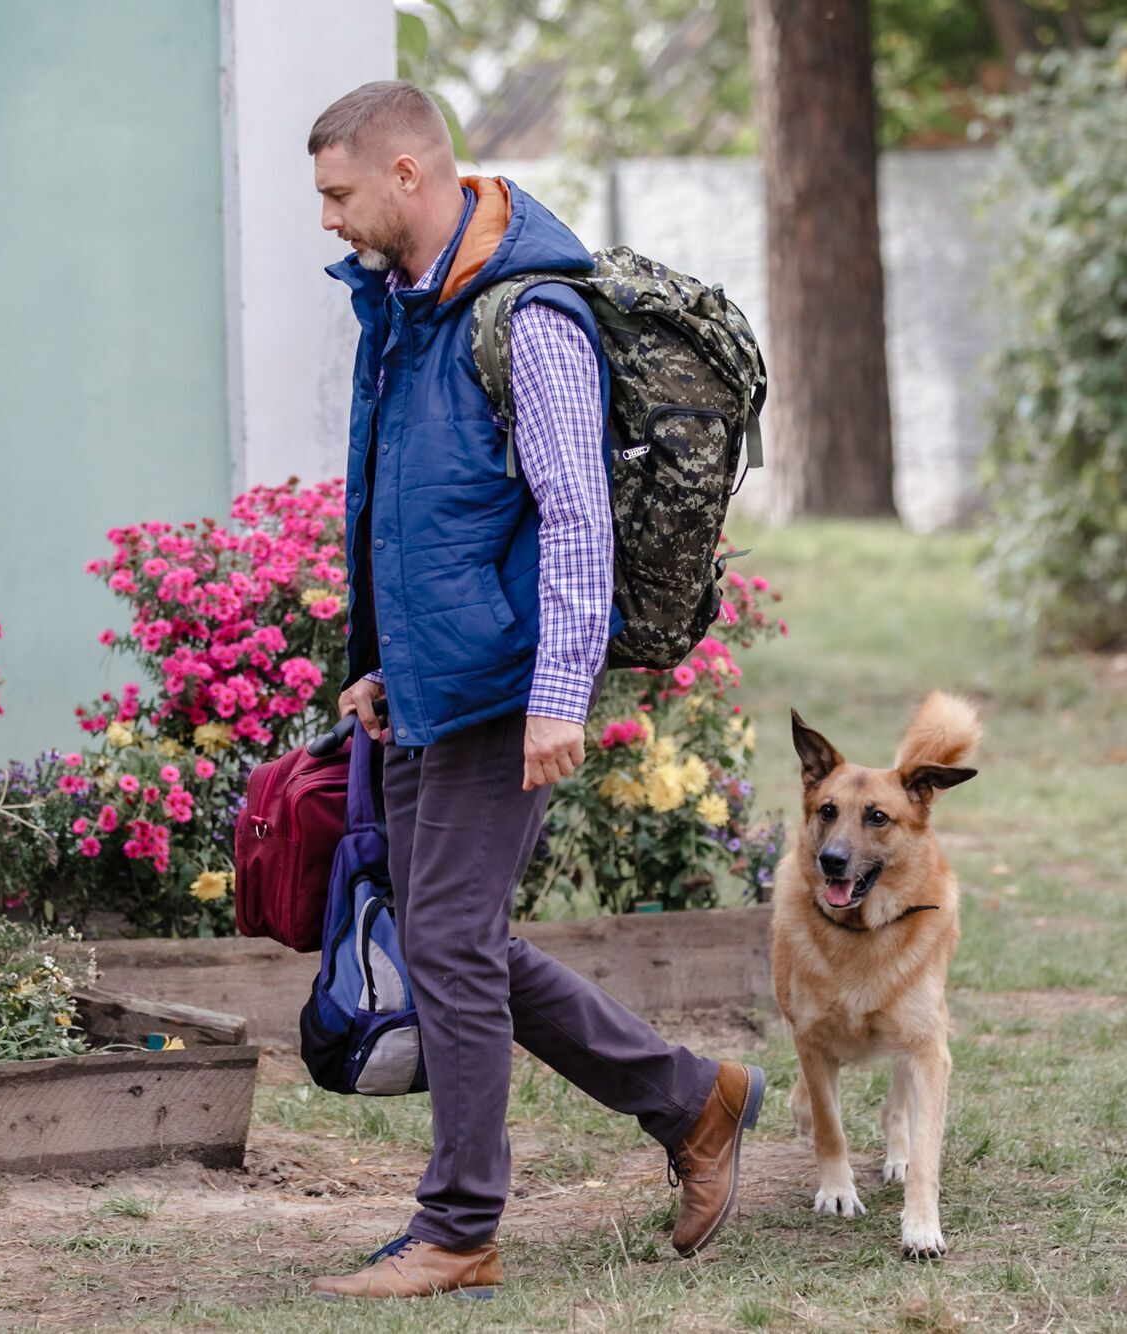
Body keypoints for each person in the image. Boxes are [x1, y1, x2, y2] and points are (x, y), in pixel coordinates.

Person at [305, 80, 766, 1303]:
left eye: (338, 192)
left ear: (407, 174)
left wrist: (559, 691)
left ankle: (460, 1227)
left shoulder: (530, 316)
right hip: (427, 680)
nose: (327, 220)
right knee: (453, 936)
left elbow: (575, 520)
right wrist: (375, 657)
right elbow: (406, 506)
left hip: (505, 686)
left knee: (449, 939)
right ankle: (692, 1096)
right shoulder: (404, 307)